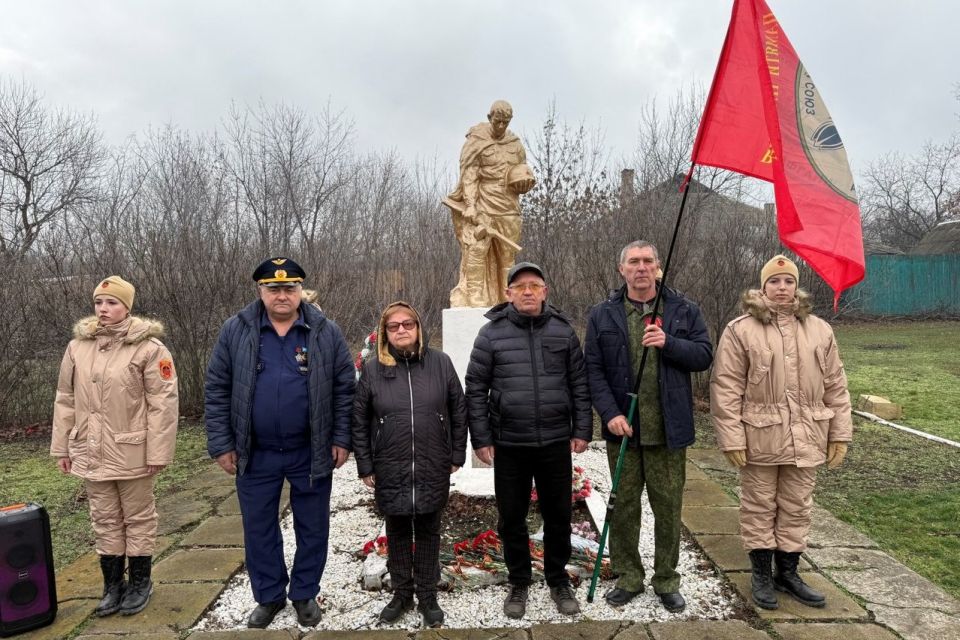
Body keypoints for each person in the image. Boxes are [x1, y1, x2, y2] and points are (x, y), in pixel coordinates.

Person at [204, 257, 355, 629]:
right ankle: (269, 595)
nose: (282, 295)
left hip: (311, 449)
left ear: (301, 290)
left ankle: (304, 592)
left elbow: (344, 389)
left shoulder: (324, 331)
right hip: (256, 452)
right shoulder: (236, 330)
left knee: (313, 526)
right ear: (261, 291)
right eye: (274, 289)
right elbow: (217, 389)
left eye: (290, 288)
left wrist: (341, 438)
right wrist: (222, 444)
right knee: (258, 528)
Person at [710, 255, 852, 610]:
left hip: (808, 436)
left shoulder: (820, 330)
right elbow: (725, 387)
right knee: (759, 507)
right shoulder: (740, 329)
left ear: (797, 286)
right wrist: (732, 437)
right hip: (760, 437)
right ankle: (760, 575)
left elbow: (836, 385)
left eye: (788, 281)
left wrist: (840, 434)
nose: (782, 288)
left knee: (797, 507)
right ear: (763, 287)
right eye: (775, 281)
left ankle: (787, 573)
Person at [584, 241, 713, 613]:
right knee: (623, 506)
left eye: (648, 262)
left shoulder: (683, 310)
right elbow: (592, 370)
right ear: (621, 269)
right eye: (633, 262)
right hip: (623, 430)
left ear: (658, 268)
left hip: (669, 431)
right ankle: (629, 576)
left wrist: (669, 343)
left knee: (668, 507)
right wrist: (610, 413)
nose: (641, 268)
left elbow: (704, 355)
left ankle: (666, 579)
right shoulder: (602, 315)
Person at [465, 262, 592, 619]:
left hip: (554, 442)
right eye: (519, 286)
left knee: (558, 516)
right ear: (508, 294)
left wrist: (582, 428)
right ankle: (519, 579)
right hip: (510, 444)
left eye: (534, 285)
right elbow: (475, 389)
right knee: (512, 518)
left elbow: (579, 384)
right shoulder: (491, 335)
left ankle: (557, 579)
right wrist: (482, 438)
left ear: (544, 291)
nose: (527, 291)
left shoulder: (563, 332)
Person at [51, 276, 178, 617]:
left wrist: (158, 453)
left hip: (132, 450)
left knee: (138, 518)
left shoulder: (149, 348)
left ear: (127, 306)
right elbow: (65, 398)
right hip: (90, 451)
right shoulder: (78, 346)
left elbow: (163, 404)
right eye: (99, 302)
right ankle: (112, 587)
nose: (104, 309)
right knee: (104, 519)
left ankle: (139, 584)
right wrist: (62, 447)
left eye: (112, 302)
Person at [352, 301, 468, 627]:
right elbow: (359, 421)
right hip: (390, 464)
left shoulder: (440, 364)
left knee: (430, 530)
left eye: (408, 324)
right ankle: (402, 593)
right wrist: (365, 464)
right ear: (384, 333)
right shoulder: (374, 370)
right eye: (394, 326)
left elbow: (459, 411)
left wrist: (457, 454)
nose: (402, 330)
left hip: (433, 462)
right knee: (399, 530)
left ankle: (428, 596)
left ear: (418, 328)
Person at [444, 100, 535, 307]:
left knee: (507, 256)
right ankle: (475, 294)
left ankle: (507, 296)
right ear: (489, 118)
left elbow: (522, 170)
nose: (501, 126)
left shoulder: (515, 145)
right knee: (477, 249)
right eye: (498, 121)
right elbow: (470, 175)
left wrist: (525, 182)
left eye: (506, 122)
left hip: (509, 208)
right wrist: (470, 204)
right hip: (483, 204)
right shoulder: (476, 140)